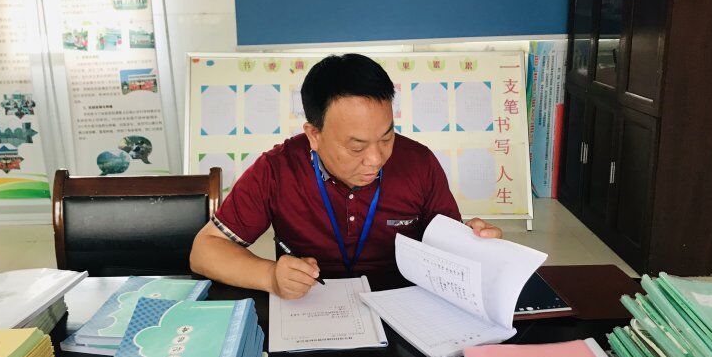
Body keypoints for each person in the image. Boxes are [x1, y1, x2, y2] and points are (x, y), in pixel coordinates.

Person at [190, 53, 503, 298]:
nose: (376, 158)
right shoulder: (277, 169)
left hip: (404, 312)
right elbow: (205, 250)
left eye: (386, 137)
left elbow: (449, 248)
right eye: (357, 147)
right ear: (314, 135)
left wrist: (474, 243)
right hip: (311, 311)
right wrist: (270, 276)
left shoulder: (419, 163)